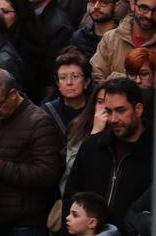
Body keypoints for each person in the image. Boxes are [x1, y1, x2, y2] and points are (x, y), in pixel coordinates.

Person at [0, 67, 61, 235]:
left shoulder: (39, 123)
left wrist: (2, 168)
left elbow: (48, 174)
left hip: (24, 223)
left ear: (12, 94)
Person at [62, 77, 150, 228]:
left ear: (138, 109)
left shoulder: (151, 153)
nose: (113, 119)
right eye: (108, 111)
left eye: (121, 110)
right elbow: (72, 196)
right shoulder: (92, 146)